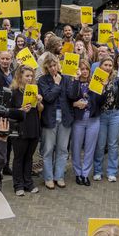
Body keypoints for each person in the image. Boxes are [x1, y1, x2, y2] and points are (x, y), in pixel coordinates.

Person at [39, 53, 77, 189]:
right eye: (50, 67)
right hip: (50, 119)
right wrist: (56, 84)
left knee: (62, 149)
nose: (53, 68)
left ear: (58, 65)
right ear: (46, 68)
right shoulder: (43, 80)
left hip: (65, 118)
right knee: (48, 150)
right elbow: (48, 97)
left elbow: (72, 96)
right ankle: (48, 178)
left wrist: (75, 80)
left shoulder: (66, 78)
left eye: (54, 65)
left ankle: (59, 176)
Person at [95, 55, 119, 182]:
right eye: (105, 65)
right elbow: (95, 99)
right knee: (100, 145)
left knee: (113, 144)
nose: (107, 67)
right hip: (101, 115)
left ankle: (112, 171)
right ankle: (97, 171)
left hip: (116, 115)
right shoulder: (96, 79)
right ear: (100, 66)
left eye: (110, 65)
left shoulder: (116, 80)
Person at [8, 64, 43, 195]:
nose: (29, 78)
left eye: (31, 76)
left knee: (29, 157)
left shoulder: (34, 90)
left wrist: (39, 101)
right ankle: (18, 185)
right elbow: (8, 111)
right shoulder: (14, 92)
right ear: (20, 76)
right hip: (19, 128)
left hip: (33, 126)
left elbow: (40, 109)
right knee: (18, 157)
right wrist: (20, 110)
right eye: (27, 76)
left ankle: (28, 183)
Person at [70, 60, 102, 186]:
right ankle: (77, 173)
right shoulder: (74, 82)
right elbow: (70, 97)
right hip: (78, 119)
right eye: (82, 69)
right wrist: (75, 103)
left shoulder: (94, 82)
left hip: (93, 119)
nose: (84, 71)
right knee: (76, 147)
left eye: (86, 69)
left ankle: (85, 174)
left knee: (90, 148)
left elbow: (101, 101)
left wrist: (102, 89)